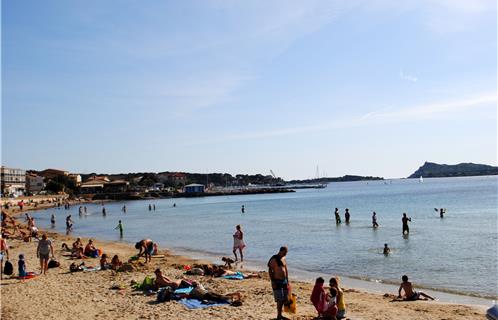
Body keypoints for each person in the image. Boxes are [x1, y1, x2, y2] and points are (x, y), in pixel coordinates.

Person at [268, 246, 289, 320]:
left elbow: (286, 270)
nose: (285, 254)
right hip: (277, 281)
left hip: (284, 281)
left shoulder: (283, 259)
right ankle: (279, 315)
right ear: (281, 251)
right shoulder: (274, 259)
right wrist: (273, 281)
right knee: (279, 300)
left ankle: (281, 314)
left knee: (285, 298)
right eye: (285, 252)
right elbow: (270, 270)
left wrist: (288, 281)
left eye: (286, 253)